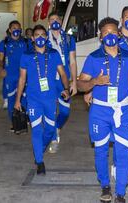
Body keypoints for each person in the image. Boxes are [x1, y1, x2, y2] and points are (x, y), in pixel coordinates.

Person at [77, 17, 128, 203]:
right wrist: (94, 82)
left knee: (123, 152)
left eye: (112, 32)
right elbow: (80, 83)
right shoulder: (94, 58)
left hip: (123, 111)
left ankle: (121, 193)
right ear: (100, 36)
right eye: (105, 33)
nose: (109, 35)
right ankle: (105, 185)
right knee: (101, 152)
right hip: (100, 112)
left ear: (118, 33)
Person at [14, 24, 70, 175]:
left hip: (50, 99)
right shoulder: (26, 55)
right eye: (36, 35)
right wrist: (18, 100)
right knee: (37, 130)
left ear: (46, 37)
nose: (40, 38)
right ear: (32, 38)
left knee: (50, 129)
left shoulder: (53, 54)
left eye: (42, 35)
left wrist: (66, 88)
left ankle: (40, 148)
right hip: (33, 100)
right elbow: (21, 79)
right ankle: (39, 161)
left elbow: (63, 74)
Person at [84, 6, 128, 106]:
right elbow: (99, 64)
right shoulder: (112, 38)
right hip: (111, 85)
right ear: (122, 20)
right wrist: (89, 90)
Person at [46, 12, 78, 153]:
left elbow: (72, 61)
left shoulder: (69, 39)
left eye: (57, 19)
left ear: (61, 21)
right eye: (51, 20)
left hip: (64, 81)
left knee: (65, 112)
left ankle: (57, 128)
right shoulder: (43, 38)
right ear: (48, 22)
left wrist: (75, 82)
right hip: (49, 81)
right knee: (51, 111)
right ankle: (53, 139)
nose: (54, 22)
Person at [0, 20, 27, 132]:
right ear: (10, 30)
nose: (16, 30)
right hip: (10, 77)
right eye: (14, 28)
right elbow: (0, 59)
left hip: (24, 76)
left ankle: (23, 120)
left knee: (24, 99)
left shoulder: (26, 43)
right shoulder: (4, 43)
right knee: (11, 100)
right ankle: (14, 122)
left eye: (18, 28)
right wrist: (1, 69)